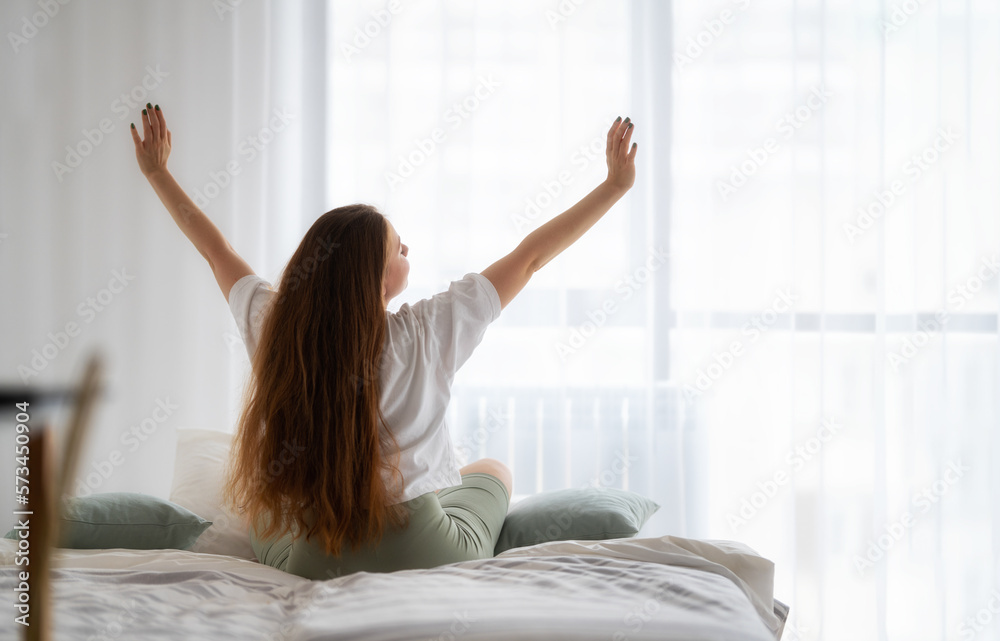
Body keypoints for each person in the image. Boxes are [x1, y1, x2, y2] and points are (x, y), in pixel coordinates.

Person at [130, 103, 637, 579]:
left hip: (315, 554)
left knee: (262, 507)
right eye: (398, 246)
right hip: (422, 549)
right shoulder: (430, 329)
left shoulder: (275, 326)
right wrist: (613, 187)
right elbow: (530, 257)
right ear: (376, 276)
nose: (407, 248)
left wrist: (157, 173)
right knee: (491, 468)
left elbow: (215, 251)